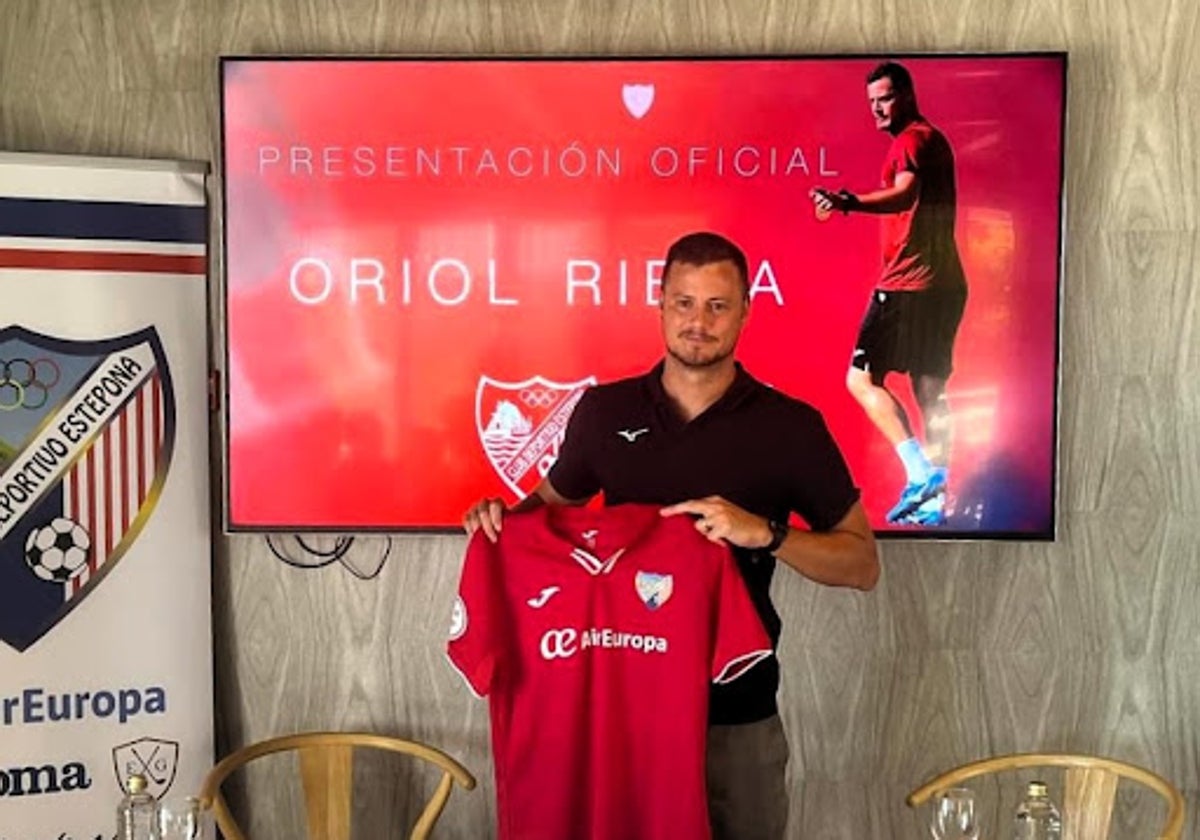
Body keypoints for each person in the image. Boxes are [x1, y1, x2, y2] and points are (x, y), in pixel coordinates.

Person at [462, 230, 880, 840]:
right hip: (627, 714)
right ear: (660, 305)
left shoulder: (790, 427)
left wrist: (764, 533)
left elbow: (863, 565)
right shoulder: (604, 413)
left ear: (746, 311)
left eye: (718, 305)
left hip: (734, 717)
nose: (699, 322)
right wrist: (496, 522)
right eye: (684, 302)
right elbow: (544, 513)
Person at [810, 60, 968, 526]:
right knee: (929, 389)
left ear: (908, 96)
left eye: (886, 99)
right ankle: (936, 501)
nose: (878, 110)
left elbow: (905, 193)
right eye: (872, 103)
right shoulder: (930, 139)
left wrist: (847, 201)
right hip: (945, 286)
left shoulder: (911, 141)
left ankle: (921, 474)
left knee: (859, 379)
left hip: (908, 285)